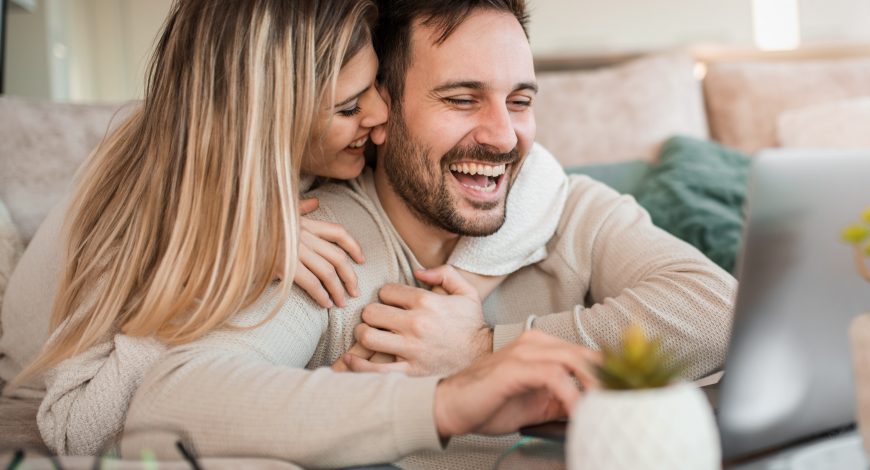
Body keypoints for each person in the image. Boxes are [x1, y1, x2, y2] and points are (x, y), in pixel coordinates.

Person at [120, 0, 735, 467]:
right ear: (380, 110)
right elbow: (173, 399)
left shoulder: (571, 209)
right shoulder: (326, 242)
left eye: (518, 101)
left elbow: (720, 310)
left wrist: (484, 350)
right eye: (462, 99)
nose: (502, 136)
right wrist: (446, 402)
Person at [0, 0, 576, 456]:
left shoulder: (311, 160)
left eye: (375, 88)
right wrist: (230, 253)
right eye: (350, 107)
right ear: (275, 114)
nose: (379, 120)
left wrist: (453, 302)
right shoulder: (144, 182)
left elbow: (540, 174)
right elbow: (76, 425)